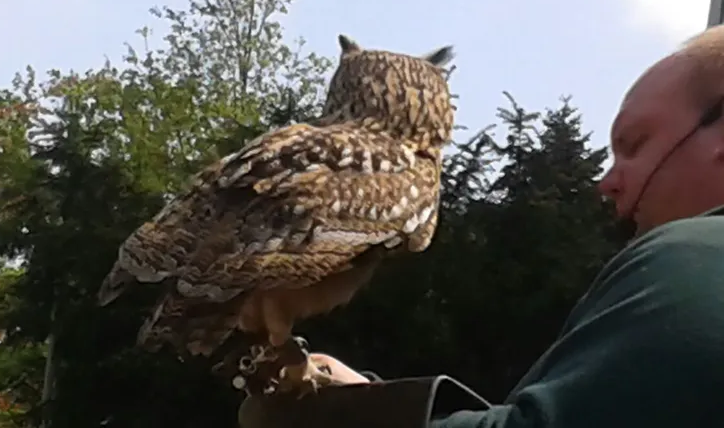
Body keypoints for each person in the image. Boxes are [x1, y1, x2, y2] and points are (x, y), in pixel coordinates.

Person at [239, 24, 724, 427]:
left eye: (636, 144)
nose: (607, 182)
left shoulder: (696, 258)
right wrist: (370, 396)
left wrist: (338, 415)